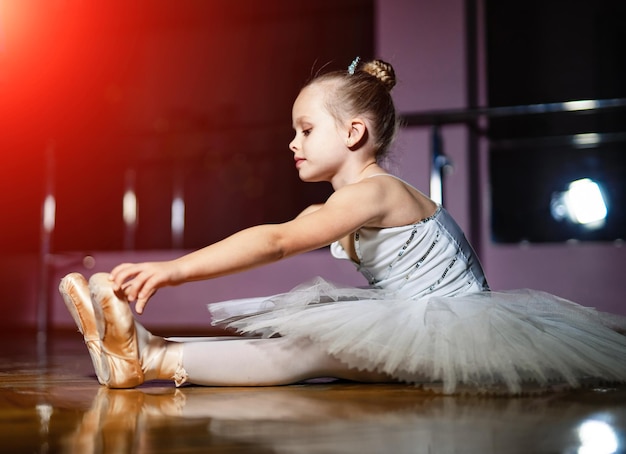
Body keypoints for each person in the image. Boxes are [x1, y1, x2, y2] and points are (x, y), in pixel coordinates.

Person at [59, 58, 626, 395]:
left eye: (305, 130)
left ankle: (150, 357)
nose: (292, 143)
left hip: (449, 333)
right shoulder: (341, 205)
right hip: (419, 324)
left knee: (304, 350)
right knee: (300, 342)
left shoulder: (377, 192)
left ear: (353, 133)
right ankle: (134, 347)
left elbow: (275, 242)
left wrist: (172, 270)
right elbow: (275, 234)